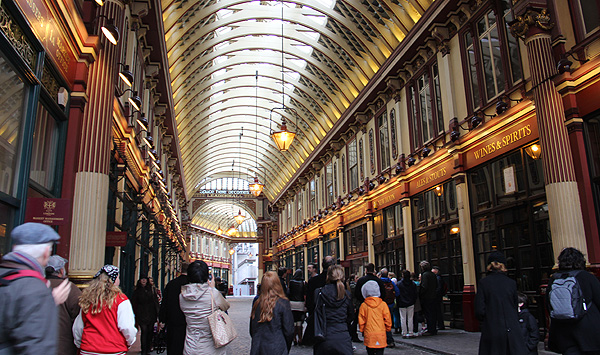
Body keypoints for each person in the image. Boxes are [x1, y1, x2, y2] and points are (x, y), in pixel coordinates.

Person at [0, 222, 66, 354]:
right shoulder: (35, 289)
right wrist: (46, 303)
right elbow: (37, 346)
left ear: (15, 247)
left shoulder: (5, 274)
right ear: (46, 253)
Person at [73, 265, 137, 354]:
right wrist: (130, 341)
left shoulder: (88, 299)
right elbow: (126, 327)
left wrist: (80, 344)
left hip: (89, 348)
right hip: (114, 349)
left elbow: (78, 327)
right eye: (118, 277)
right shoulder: (121, 299)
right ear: (114, 280)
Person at [547, 247, 600, 355]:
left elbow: (549, 305)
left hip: (563, 333)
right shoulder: (587, 277)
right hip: (589, 332)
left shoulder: (554, 279)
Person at [475, 251, 527, 355]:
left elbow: (479, 310)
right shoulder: (511, 283)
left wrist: (487, 319)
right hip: (511, 328)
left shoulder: (484, 283)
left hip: (492, 328)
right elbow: (514, 305)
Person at [179, 260, 230, 354]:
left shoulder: (182, 296)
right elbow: (226, 306)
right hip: (211, 346)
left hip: (191, 345)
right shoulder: (212, 294)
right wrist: (213, 288)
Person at [250, 271, 294, 354]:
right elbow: (289, 330)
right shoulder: (283, 303)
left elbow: (252, 329)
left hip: (259, 347)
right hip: (277, 345)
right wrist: (285, 346)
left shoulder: (257, 303)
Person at [313, 264, 354, 355]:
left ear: (328, 276)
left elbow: (316, 311)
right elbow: (351, 315)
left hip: (324, 334)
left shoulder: (319, 293)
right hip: (342, 335)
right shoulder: (346, 295)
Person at [45, 255, 82, 355]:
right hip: (63, 347)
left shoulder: (37, 285)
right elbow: (79, 315)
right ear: (61, 271)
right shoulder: (70, 288)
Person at [303, 255, 335, 346]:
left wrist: (312, 312)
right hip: (334, 323)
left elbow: (309, 300)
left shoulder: (314, 281)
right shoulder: (338, 282)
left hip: (317, 318)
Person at [159, 262, 189, 355]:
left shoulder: (171, 284)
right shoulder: (191, 285)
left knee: (173, 347)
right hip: (188, 322)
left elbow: (165, 303)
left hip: (173, 322)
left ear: (180, 270)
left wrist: (162, 319)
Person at [359, 280, 392, 355]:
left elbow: (362, 320)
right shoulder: (383, 304)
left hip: (369, 333)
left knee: (370, 351)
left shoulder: (364, 306)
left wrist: (362, 330)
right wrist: (388, 328)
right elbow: (387, 318)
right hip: (381, 333)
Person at [132, 277, 159, 355]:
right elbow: (134, 302)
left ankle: (148, 348)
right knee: (144, 331)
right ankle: (144, 349)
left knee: (150, 331)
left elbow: (155, 302)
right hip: (141, 313)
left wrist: (158, 313)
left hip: (151, 313)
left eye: (145, 279)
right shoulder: (137, 291)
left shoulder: (152, 290)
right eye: (142, 279)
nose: (143, 281)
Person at [379, 268, 399, 348]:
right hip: (390, 304)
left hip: (381, 304)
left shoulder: (379, 282)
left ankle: (385, 339)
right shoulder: (391, 282)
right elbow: (397, 292)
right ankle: (389, 339)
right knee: (388, 322)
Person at [418, 261, 438, 336]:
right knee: (432, 313)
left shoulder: (425, 275)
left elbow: (424, 286)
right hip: (433, 296)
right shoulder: (432, 274)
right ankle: (433, 328)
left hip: (427, 297)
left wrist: (421, 293)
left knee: (428, 314)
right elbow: (436, 285)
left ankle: (431, 329)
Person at [287, 268, 306, 345]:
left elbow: (288, 292)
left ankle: (294, 338)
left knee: (294, 322)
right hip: (300, 304)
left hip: (292, 304)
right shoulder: (304, 283)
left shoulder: (291, 282)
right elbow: (305, 295)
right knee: (299, 322)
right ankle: (300, 338)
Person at [396, 270, 417, 338]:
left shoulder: (399, 284)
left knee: (403, 318)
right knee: (410, 318)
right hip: (410, 302)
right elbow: (415, 293)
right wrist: (413, 300)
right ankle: (410, 332)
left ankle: (404, 332)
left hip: (402, 302)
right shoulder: (413, 284)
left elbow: (397, 294)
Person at [346, 274, 361, 342]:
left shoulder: (351, 285)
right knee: (354, 322)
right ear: (352, 279)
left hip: (354, 304)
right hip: (355, 304)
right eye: (356, 278)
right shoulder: (353, 286)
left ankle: (353, 335)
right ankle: (353, 335)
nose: (357, 279)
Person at [431, 266, 446, 330]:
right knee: (437, 311)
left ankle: (440, 325)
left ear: (436, 271)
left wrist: (435, 294)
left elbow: (439, 288)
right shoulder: (437, 278)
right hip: (438, 297)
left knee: (438, 311)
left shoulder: (438, 278)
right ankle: (439, 324)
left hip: (437, 297)